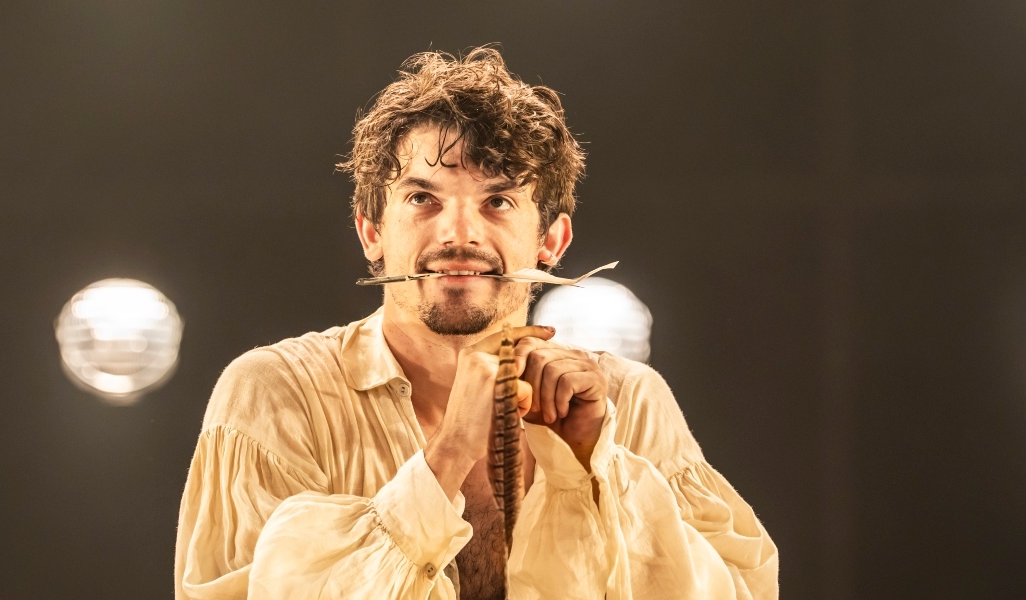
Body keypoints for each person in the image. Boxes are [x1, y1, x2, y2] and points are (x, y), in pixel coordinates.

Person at [174, 47, 777, 600]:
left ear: (550, 240)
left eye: (498, 201)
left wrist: (599, 473)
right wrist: (449, 453)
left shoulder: (630, 402)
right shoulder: (275, 393)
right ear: (371, 233)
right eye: (422, 199)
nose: (459, 235)